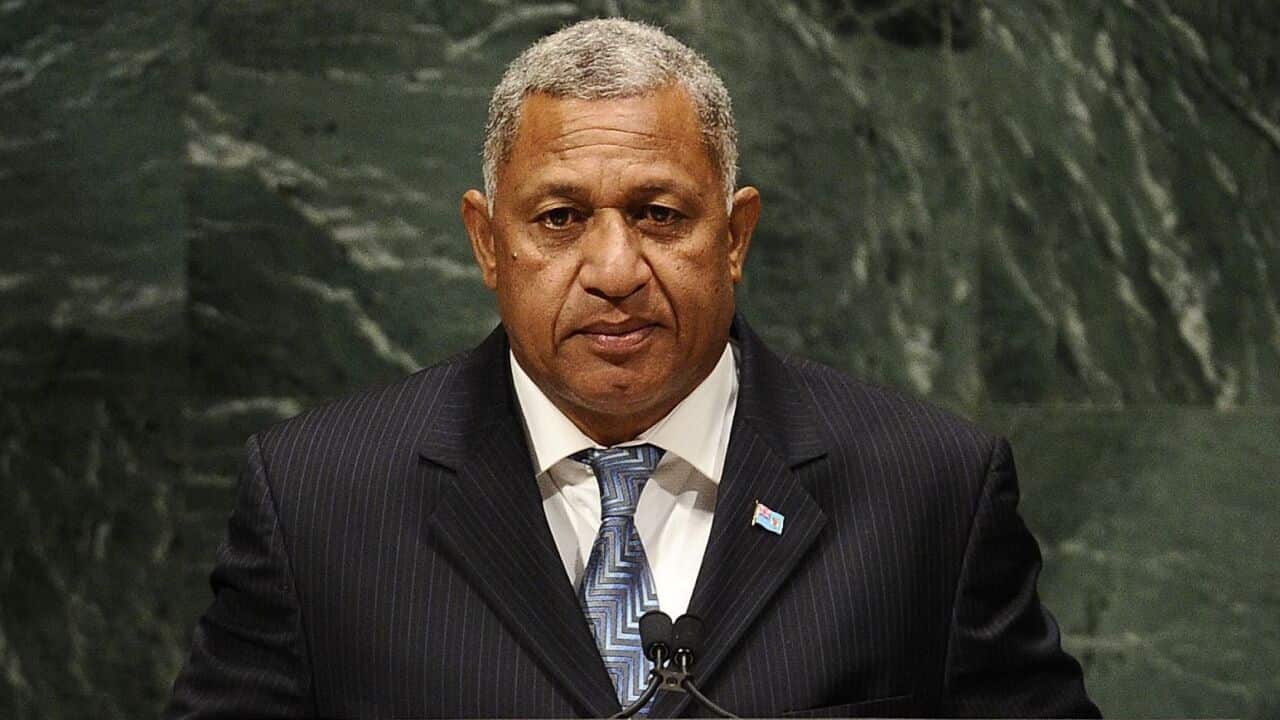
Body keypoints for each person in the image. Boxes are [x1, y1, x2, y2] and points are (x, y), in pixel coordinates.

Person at [166, 18, 1100, 719]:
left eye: (658, 213)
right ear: (487, 244)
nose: (615, 272)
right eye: (560, 219)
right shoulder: (318, 500)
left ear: (734, 237)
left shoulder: (928, 491)